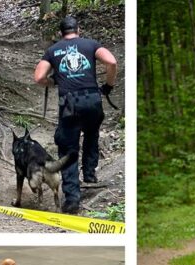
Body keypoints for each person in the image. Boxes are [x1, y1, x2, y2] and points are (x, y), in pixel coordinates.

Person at [33, 16, 117, 214]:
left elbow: (38, 77)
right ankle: (89, 174)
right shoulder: (91, 44)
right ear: (78, 29)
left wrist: (53, 82)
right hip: (92, 100)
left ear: (61, 33)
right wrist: (108, 86)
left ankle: (71, 199)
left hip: (70, 105)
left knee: (68, 147)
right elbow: (111, 61)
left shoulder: (53, 50)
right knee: (91, 134)